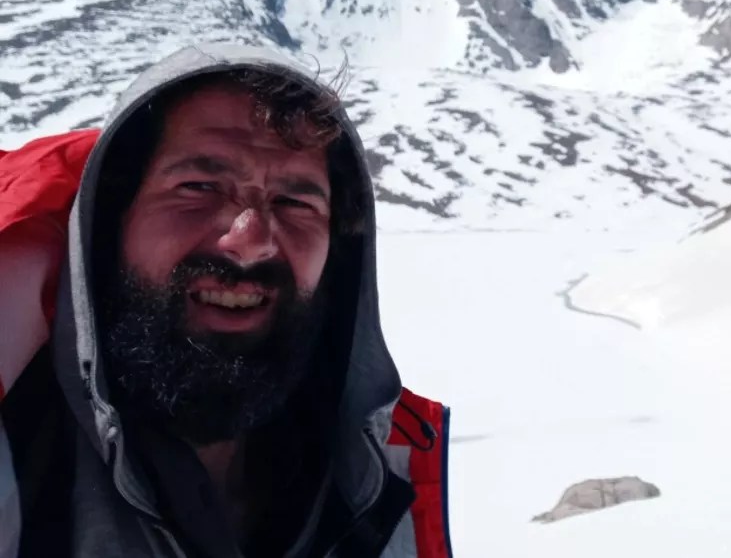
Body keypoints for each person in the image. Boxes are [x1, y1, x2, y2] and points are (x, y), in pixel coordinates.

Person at [0, 44, 453, 557]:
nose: (250, 239)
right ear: (109, 220)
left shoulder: (378, 485)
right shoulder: (18, 467)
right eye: (198, 187)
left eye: (294, 202)